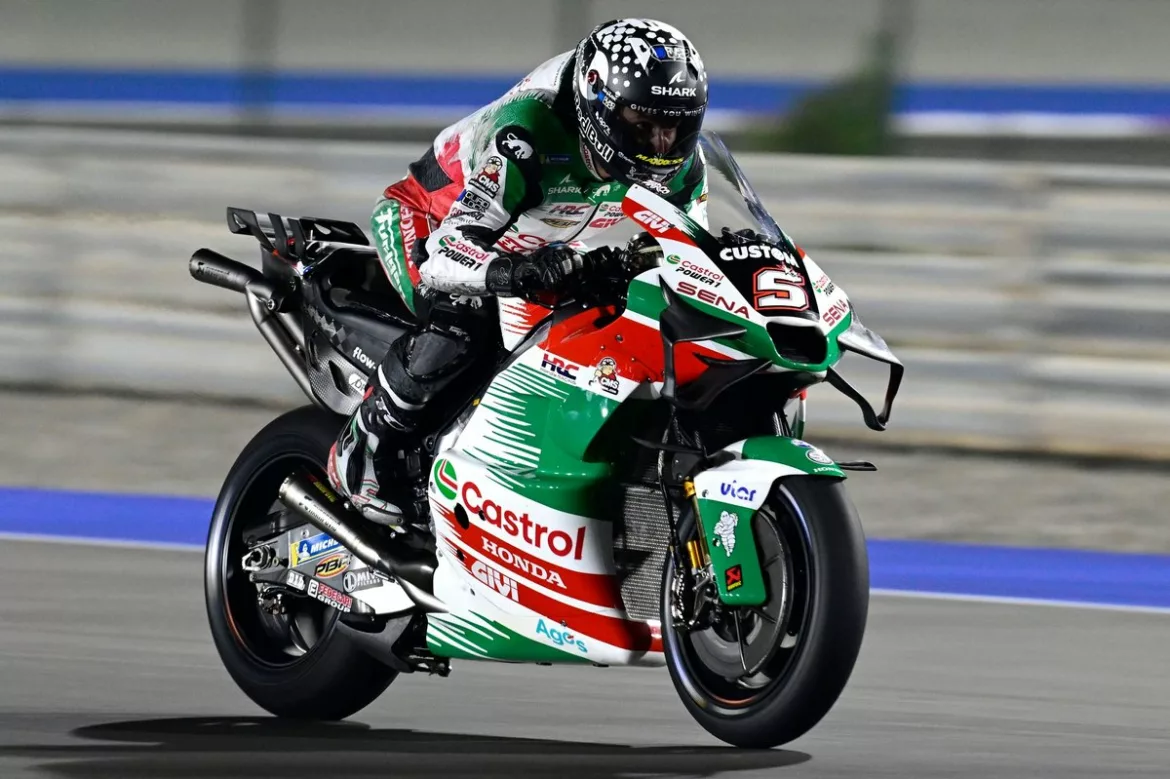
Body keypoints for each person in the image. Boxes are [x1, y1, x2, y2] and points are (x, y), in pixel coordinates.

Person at [328, 18, 712, 526]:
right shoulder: (529, 132)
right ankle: (364, 445)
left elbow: (693, 254)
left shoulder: (681, 164)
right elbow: (445, 252)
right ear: (598, 102)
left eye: (675, 127)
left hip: (539, 243)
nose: (660, 145)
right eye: (642, 124)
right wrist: (513, 273)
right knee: (465, 326)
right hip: (431, 221)